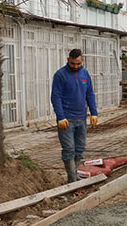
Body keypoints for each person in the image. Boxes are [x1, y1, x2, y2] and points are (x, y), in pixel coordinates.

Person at [51, 49, 98, 183]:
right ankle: (72, 180)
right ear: (68, 60)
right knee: (69, 149)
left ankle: (74, 175)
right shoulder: (60, 75)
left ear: (81, 60)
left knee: (80, 148)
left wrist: (94, 113)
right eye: (73, 64)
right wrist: (60, 116)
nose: (76, 66)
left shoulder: (85, 73)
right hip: (66, 119)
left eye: (78, 64)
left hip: (81, 118)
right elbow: (56, 97)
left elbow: (90, 94)